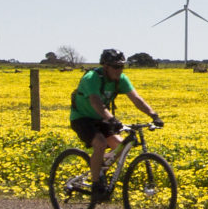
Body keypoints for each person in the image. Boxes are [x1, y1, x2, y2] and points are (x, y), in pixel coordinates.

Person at [69, 48, 161, 199]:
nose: (119, 70)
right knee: (99, 143)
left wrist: (153, 115)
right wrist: (112, 119)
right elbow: (96, 102)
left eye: (122, 66)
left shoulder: (121, 79)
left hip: (101, 118)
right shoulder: (92, 78)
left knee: (119, 145)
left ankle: (99, 167)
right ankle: (96, 183)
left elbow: (137, 99)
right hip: (82, 117)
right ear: (105, 66)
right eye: (116, 67)